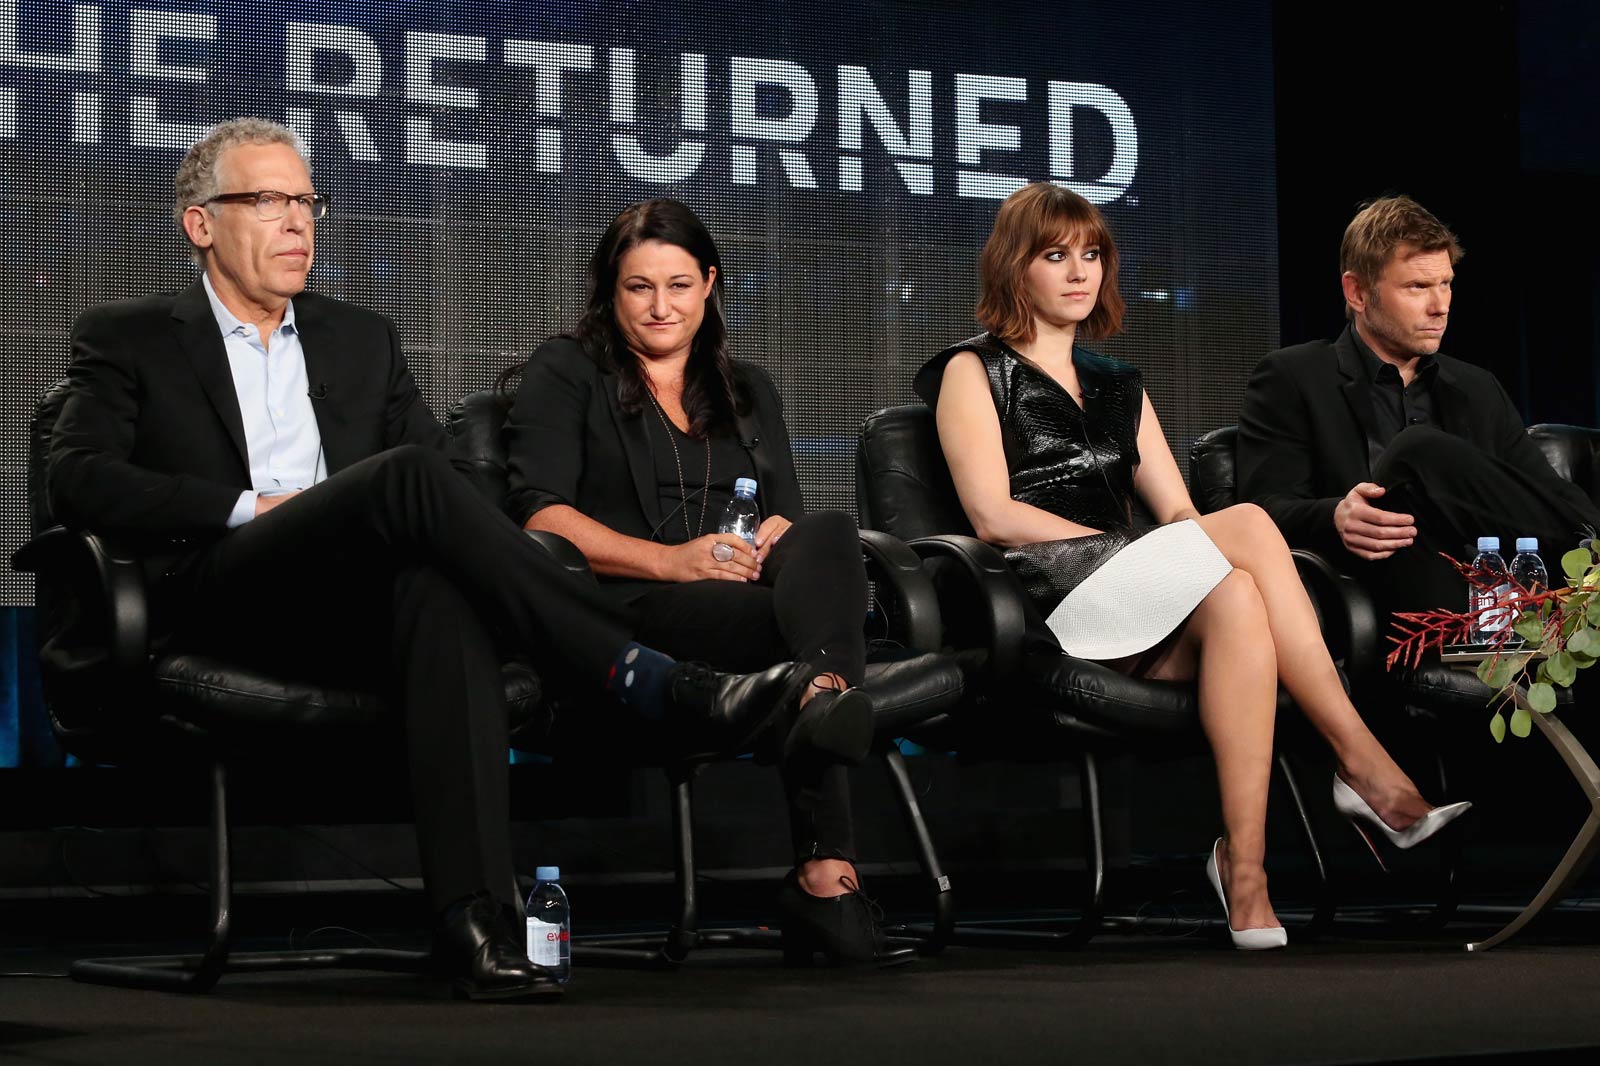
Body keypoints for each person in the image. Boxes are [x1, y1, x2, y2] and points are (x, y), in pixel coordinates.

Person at [46, 119, 811, 1001]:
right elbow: (79, 479)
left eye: (306, 201)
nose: (298, 221)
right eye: (267, 200)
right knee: (402, 480)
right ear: (201, 224)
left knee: (436, 589)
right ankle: (637, 670)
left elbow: (452, 484)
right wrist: (255, 508)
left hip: (351, 607)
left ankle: (474, 921)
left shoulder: (360, 339)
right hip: (221, 589)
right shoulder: (130, 336)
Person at [916, 182, 1470, 950]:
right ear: (1016, 269)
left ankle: (1244, 872)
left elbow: (1180, 517)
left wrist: (1161, 551)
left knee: (1239, 593)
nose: (1080, 272)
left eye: (1092, 255)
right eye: (1055, 256)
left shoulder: (1118, 385)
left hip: (1134, 599)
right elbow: (992, 515)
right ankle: (1363, 763)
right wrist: (1125, 549)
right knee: (1243, 523)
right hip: (1046, 602)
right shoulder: (974, 372)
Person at [504, 199, 905, 968]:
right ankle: (828, 873)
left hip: (748, 600)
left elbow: (785, 519)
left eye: (680, 285)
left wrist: (783, 535)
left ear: (710, 284)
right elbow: (540, 518)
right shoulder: (567, 372)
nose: (661, 307)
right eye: (639, 288)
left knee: (824, 533)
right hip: (631, 612)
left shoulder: (746, 388)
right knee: (799, 644)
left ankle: (822, 693)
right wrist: (673, 560)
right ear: (609, 291)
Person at [1238, 195, 1600, 614]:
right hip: (1381, 583)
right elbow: (1259, 511)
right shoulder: (1293, 376)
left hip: (1496, 591)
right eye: (1417, 287)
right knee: (1416, 451)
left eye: (1445, 284)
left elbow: (1551, 502)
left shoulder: (1477, 388)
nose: (1440, 306)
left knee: (1573, 516)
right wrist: (1336, 515)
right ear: (1357, 292)